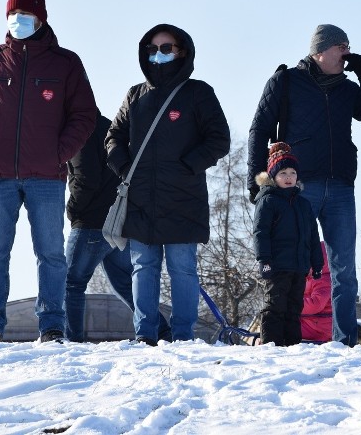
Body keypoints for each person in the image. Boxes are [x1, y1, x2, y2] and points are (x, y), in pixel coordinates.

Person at [0, 0, 97, 343]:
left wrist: (59, 153)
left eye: (25, 15)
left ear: (41, 19)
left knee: (50, 252)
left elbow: (84, 115)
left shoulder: (66, 63)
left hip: (46, 176)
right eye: (12, 14)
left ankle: (52, 325)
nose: (17, 21)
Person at [247, 24, 361, 346]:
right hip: (297, 189)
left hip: (341, 187)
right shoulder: (286, 82)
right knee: (289, 267)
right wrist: (257, 183)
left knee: (344, 272)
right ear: (320, 50)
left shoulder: (348, 89)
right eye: (342, 46)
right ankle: (283, 339)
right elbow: (259, 129)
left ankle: (345, 343)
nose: (347, 53)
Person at [105, 24, 231, 345]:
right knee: (143, 268)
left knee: (182, 270)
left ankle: (183, 337)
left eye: (165, 48)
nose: (158, 54)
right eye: (152, 49)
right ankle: (144, 334)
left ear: (181, 51)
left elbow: (219, 139)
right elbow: (114, 137)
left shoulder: (198, 93)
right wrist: (123, 165)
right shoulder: (135, 95)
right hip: (141, 198)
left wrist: (188, 165)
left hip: (183, 198)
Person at [64, 109, 172, 342]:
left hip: (90, 222)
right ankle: (162, 331)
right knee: (125, 282)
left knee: (70, 283)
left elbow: (85, 178)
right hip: (118, 221)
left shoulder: (79, 132)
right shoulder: (111, 128)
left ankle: (71, 341)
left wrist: (72, 209)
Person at [253, 142, 324, 346]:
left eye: (292, 173)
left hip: (299, 267)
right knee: (275, 305)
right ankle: (271, 344)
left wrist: (316, 264)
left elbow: (312, 235)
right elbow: (260, 233)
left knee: (294, 307)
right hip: (277, 266)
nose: (288, 177)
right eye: (283, 173)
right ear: (273, 176)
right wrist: (264, 260)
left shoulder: (303, 204)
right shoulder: (268, 201)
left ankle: (292, 345)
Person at [301, 241, 333, 343]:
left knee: (285, 327)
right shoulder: (309, 279)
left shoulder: (324, 279)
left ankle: (269, 344)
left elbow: (316, 304)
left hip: (318, 325)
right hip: (311, 321)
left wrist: (293, 304)